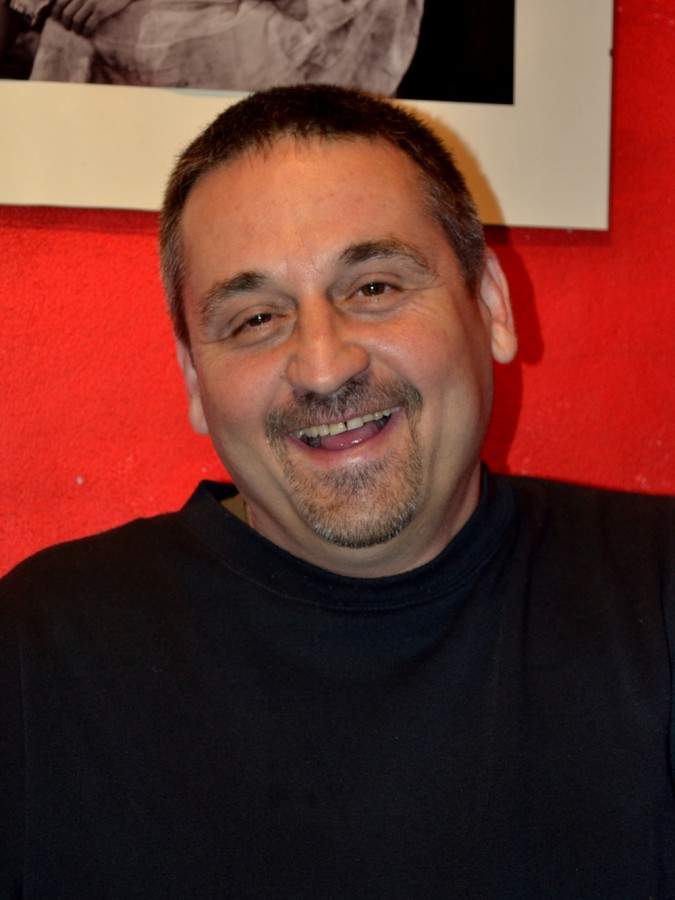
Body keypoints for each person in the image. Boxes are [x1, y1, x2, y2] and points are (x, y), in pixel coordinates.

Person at [0, 84, 673, 898]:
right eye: (255, 318)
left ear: (491, 305)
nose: (323, 367)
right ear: (193, 379)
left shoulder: (656, 586)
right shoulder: (43, 651)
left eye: (373, 288)